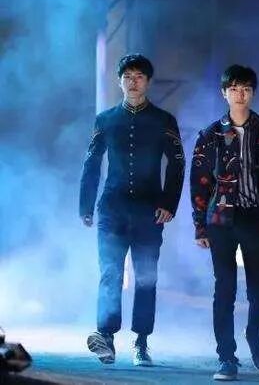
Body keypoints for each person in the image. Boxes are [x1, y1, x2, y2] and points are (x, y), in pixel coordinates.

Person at [79, 53, 185, 366]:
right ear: (119, 81)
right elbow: (91, 163)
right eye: (127, 77)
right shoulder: (106, 120)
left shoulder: (164, 120)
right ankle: (106, 336)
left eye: (139, 77)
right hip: (112, 208)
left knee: (146, 277)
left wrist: (168, 203)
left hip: (149, 211)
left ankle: (141, 342)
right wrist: (86, 206)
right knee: (110, 273)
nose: (133, 82)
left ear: (148, 82)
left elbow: (177, 164)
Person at [190, 64, 259, 381]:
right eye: (234, 89)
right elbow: (199, 182)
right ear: (224, 93)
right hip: (220, 219)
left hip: (255, 217)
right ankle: (226, 357)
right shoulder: (210, 135)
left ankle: (255, 336)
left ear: (253, 93)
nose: (240, 94)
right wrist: (200, 225)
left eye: (246, 89)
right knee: (224, 289)